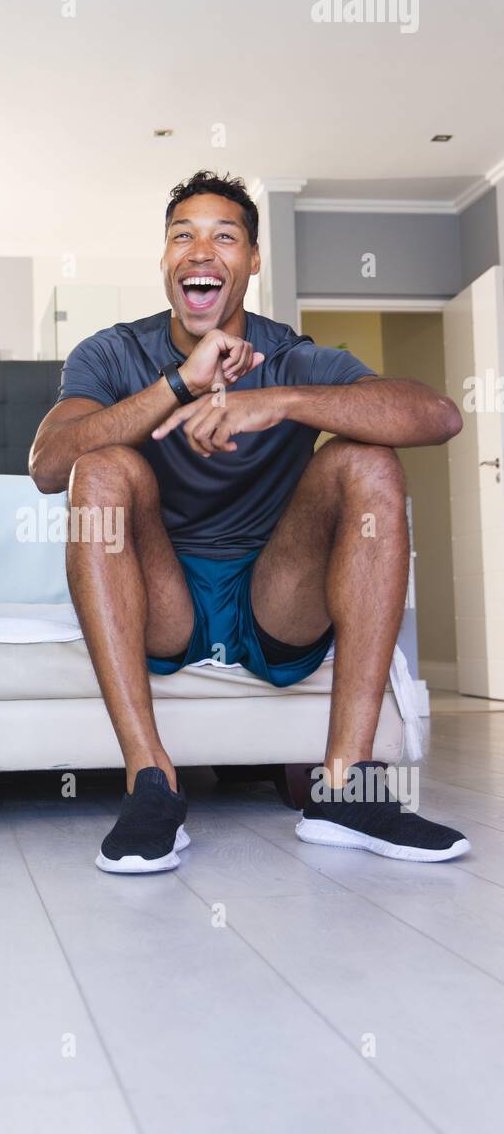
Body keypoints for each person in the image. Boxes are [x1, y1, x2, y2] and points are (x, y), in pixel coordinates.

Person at [30, 169, 469, 873]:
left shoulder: (293, 355)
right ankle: (152, 785)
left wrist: (281, 402)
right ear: (165, 259)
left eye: (224, 236)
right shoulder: (111, 353)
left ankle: (345, 789)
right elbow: (49, 465)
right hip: (163, 600)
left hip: (276, 600)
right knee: (100, 466)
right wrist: (179, 385)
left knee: (371, 460)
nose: (201, 251)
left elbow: (437, 415)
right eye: (183, 236)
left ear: (252, 261)